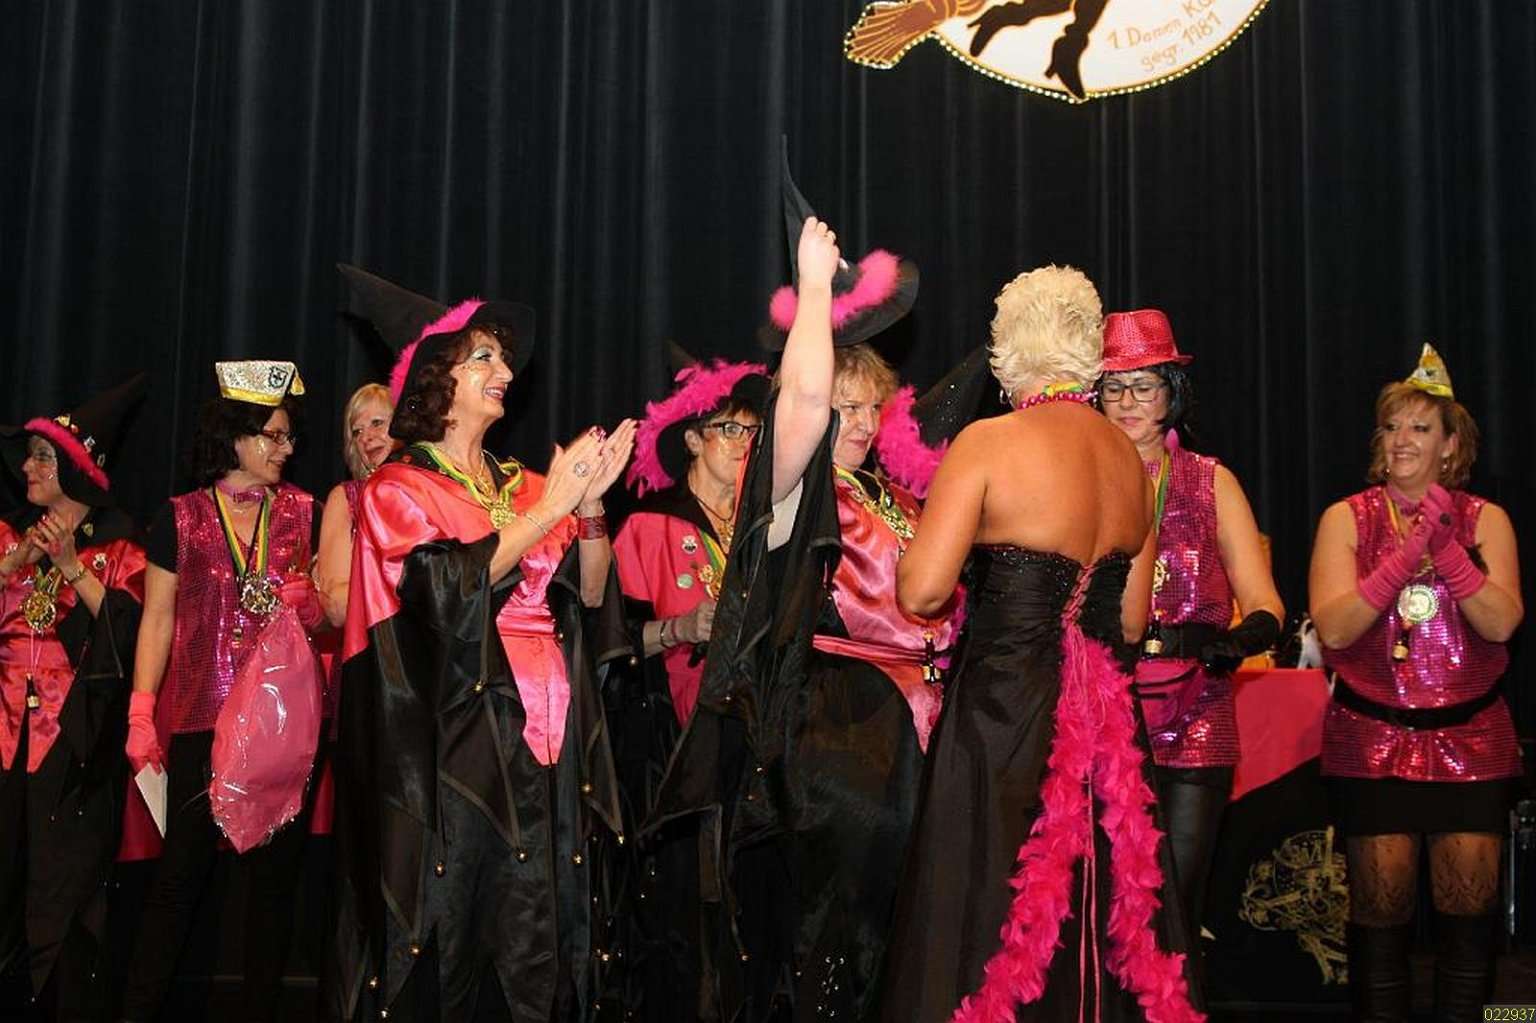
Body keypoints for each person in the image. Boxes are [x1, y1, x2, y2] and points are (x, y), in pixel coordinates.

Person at [652, 144, 960, 1019]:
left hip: (923, 736)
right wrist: (815, 291)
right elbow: (801, 405)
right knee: (833, 952)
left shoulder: (899, 498)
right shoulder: (793, 486)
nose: (855, 422)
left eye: (870, 407)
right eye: (843, 405)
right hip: (838, 738)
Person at [879, 265, 1201, 1022]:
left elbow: (921, 593)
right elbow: (1130, 623)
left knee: (989, 896)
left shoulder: (989, 443)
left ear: (1006, 354)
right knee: (1098, 897)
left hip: (1005, 709)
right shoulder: (1131, 462)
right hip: (1104, 715)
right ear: (1089, 357)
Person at [330, 265, 636, 1022]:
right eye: (483, 357)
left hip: (548, 739)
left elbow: (590, 593)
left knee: (539, 930)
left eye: (502, 358)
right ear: (438, 379)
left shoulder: (525, 482)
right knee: (463, 928)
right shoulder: (399, 487)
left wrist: (590, 510)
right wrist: (553, 509)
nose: (505, 370)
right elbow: (440, 590)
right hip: (459, 747)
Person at [1308, 344, 1523, 1023]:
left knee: (1468, 920)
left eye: (1420, 427)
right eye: (1392, 426)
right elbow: (1335, 628)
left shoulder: (1488, 520)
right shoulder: (1346, 517)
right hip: (1372, 741)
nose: (1401, 439)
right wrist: (1404, 556)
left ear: (1450, 443)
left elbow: (1503, 621)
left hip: (1472, 743)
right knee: (1380, 920)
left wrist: (1447, 551)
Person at [120, 360, 325, 1023]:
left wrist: (315, 605)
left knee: (272, 887)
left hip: (281, 725)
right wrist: (141, 710)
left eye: (289, 436)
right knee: (178, 881)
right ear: (235, 435)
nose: (285, 448)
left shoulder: (305, 512)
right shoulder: (179, 517)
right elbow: (157, 618)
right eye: (273, 434)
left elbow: (336, 604)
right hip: (201, 717)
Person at [1097, 309, 1283, 962]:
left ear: (1171, 392)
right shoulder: (1080, 478)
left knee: (1174, 901)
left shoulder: (1210, 480)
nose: (1128, 401)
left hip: (1195, 707)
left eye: (1144, 385)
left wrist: (1243, 637)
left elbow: (1265, 600)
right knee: (1102, 902)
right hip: (1105, 707)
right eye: (1114, 386)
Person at [611, 348, 767, 1021]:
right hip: (673, 751)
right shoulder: (649, 524)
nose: (744, 443)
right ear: (694, 440)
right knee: (682, 921)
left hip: (754, 742)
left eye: (752, 431)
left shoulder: (763, 529)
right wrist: (681, 628)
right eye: (730, 429)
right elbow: (609, 646)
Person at [0, 376, 146, 1021]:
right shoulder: (8, 536)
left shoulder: (119, 544)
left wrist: (69, 566)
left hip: (74, 745)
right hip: (4, 736)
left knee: (63, 895)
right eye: (29, 457)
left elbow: (131, 634)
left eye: (42, 458)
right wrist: (11, 568)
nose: (28, 469)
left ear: (77, 471)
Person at [315, 382, 397, 630]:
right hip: (371, 647)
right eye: (357, 431)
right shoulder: (346, 498)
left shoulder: (434, 488)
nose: (366, 437)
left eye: (377, 423)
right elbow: (336, 606)